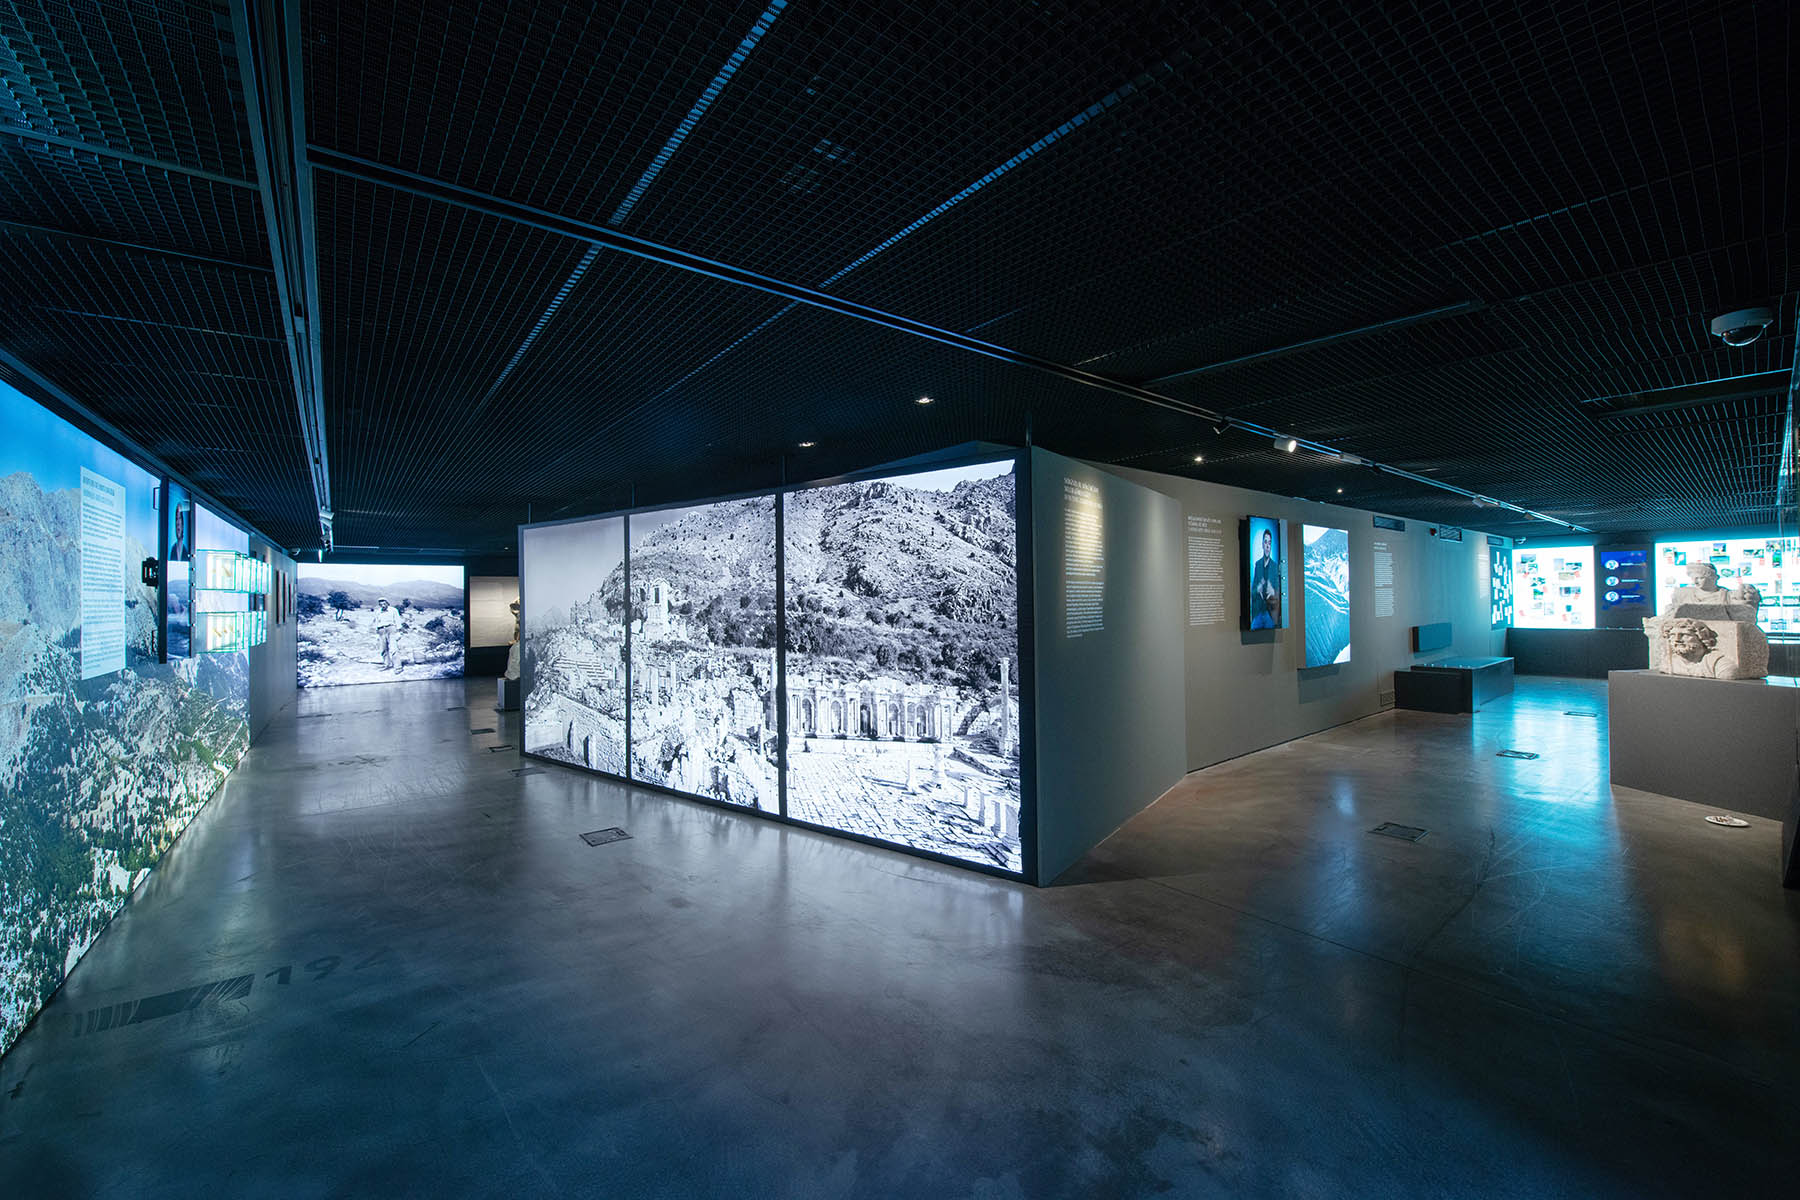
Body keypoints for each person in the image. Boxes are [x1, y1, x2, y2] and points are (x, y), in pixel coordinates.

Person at [1250, 528, 1281, 629]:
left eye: (1269, 543)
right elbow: (1252, 593)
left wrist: (1273, 591)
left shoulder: (1275, 566)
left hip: (1270, 614)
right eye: (1265, 542)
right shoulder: (1258, 565)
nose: (1267, 546)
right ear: (1262, 545)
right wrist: (1257, 589)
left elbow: (1279, 594)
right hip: (1258, 612)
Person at [372, 597, 399, 669]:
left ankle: (397, 666)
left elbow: (397, 621)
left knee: (393, 648)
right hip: (381, 630)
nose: (383, 605)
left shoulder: (393, 610)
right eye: (381, 604)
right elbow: (376, 622)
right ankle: (387, 664)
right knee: (383, 649)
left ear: (387, 603)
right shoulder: (378, 612)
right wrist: (376, 633)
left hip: (391, 629)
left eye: (384, 604)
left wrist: (398, 632)